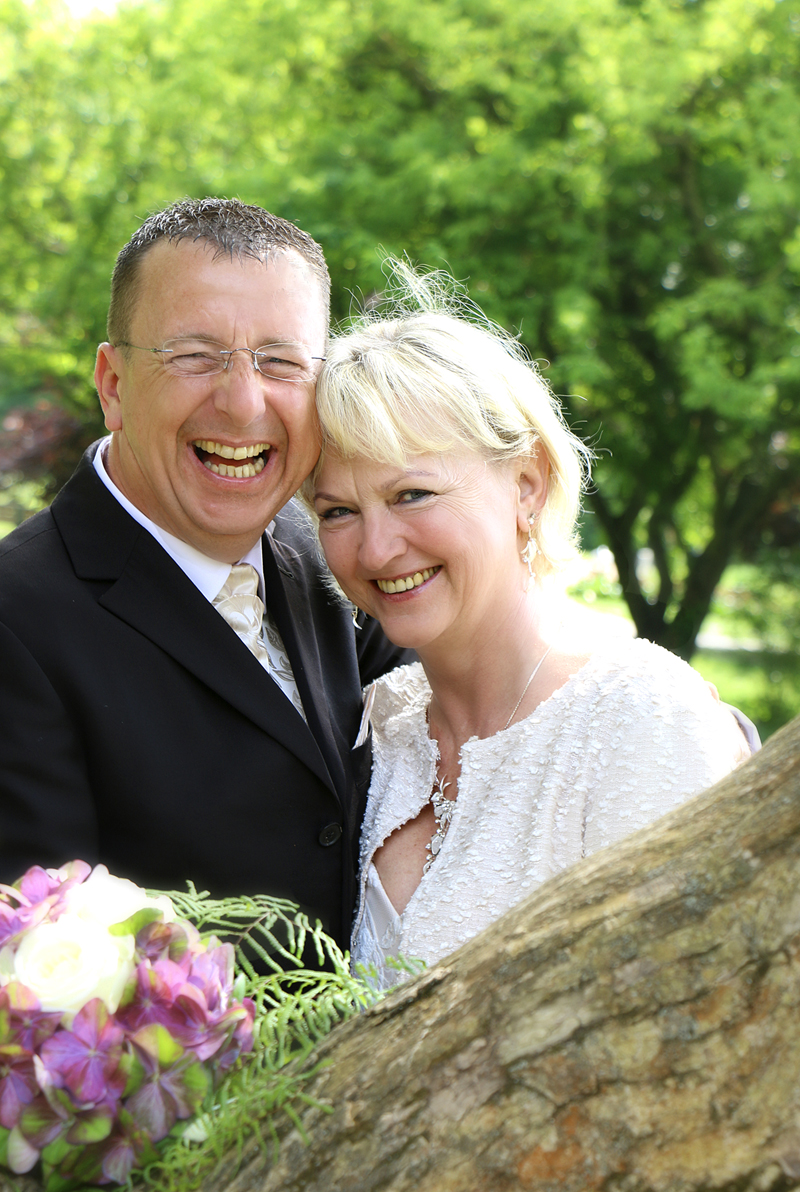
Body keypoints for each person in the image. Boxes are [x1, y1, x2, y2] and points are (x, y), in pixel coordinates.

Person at [304, 267, 755, 988]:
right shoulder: (383, 731)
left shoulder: (638, 718)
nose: (376, 549)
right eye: (337, 511)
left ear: (527, 485)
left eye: (411, 494)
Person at [0, 199, 411, 951]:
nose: (243, 401)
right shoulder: (15, 621)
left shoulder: (330, 547)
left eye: (281, 361)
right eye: (195, 355)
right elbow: (39, 972)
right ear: (113, 382)